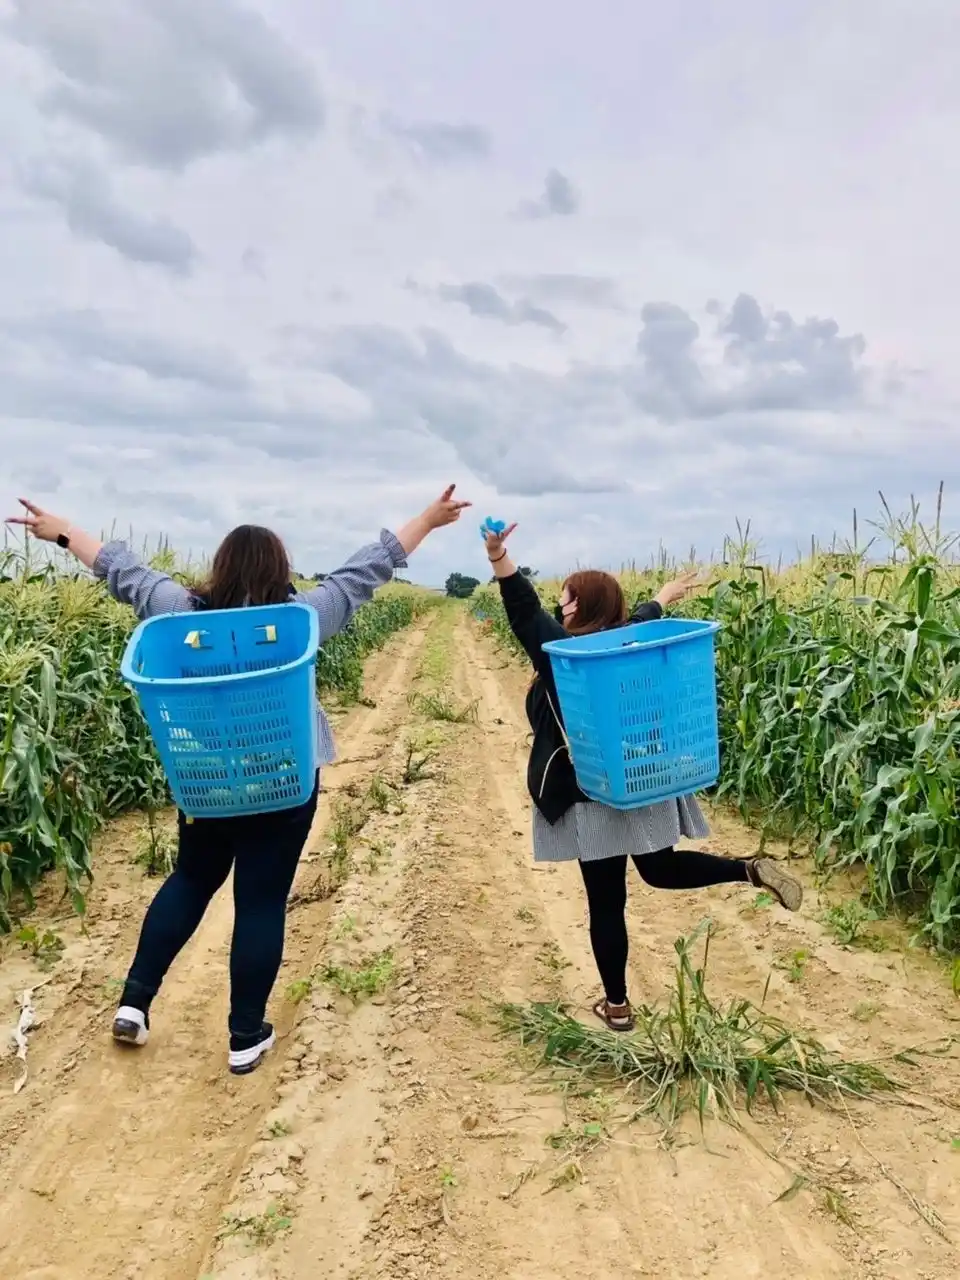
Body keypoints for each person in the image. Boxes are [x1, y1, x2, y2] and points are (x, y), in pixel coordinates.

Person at [8, 487, 470, 1073]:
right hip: (283, 782)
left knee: (191, 880)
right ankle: (245, 1035)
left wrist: (62, 531)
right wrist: (428, 519)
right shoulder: (301, 620)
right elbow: (364, 570)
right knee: (260, 901)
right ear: (281, 571)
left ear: (220, 567)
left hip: (207, 781)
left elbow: (124, 571)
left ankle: (134, 1004)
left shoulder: (180, 614)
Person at [482, 522, 802, 1033]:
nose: (558, 607)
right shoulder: (630, 649)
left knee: (607, 902)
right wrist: (664, 596)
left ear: (578, 607)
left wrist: (499, 556)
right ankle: (747, 871)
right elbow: (641, 620)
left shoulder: (566, 656)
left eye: (564, 599)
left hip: (589, 790)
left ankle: (618, 1007)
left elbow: (523, 610)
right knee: (660, 868)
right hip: (643, 776)